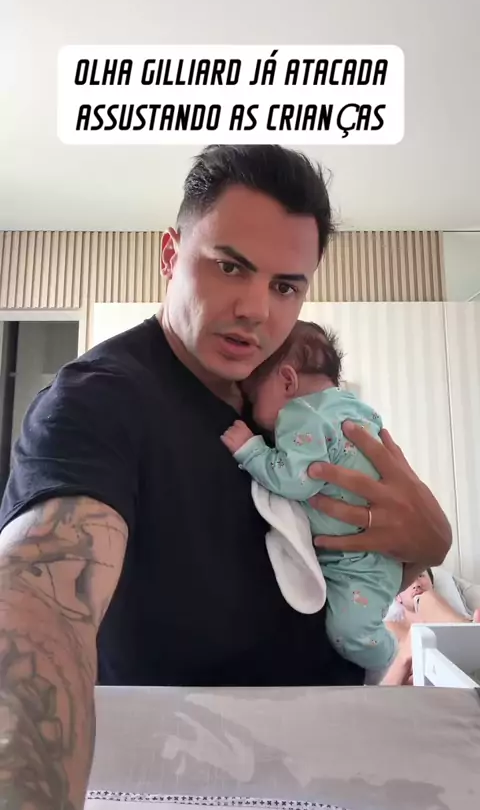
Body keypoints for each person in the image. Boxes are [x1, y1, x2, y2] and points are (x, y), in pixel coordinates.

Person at [0, 144, 451, 809]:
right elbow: (37, 617)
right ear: (170, 254)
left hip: (328, 768)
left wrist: (432, 541)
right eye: (230, 266)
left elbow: (377, 548)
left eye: (285, 286)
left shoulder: (287, 404)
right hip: (188, 784)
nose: (255, 309)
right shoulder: (98, 402)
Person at [222, 320, 400, 672]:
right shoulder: (353, 408)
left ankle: (395, 656)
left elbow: (296, 481)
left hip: (358, 560)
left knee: (350, 634)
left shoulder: (303, 415)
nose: (250, 408)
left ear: (288, 381)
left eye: (253, 397)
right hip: (375, 551)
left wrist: (251, 450)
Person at [381, 570, 480, 685]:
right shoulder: (389, 629)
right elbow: (383, 686)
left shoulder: (451, 610)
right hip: (422, 687)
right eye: (408, 580)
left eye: (421, 575)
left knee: (426, 598)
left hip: (467, 673)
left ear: (432, 585)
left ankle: (469, 630)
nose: (416, 584)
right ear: (398, 596)